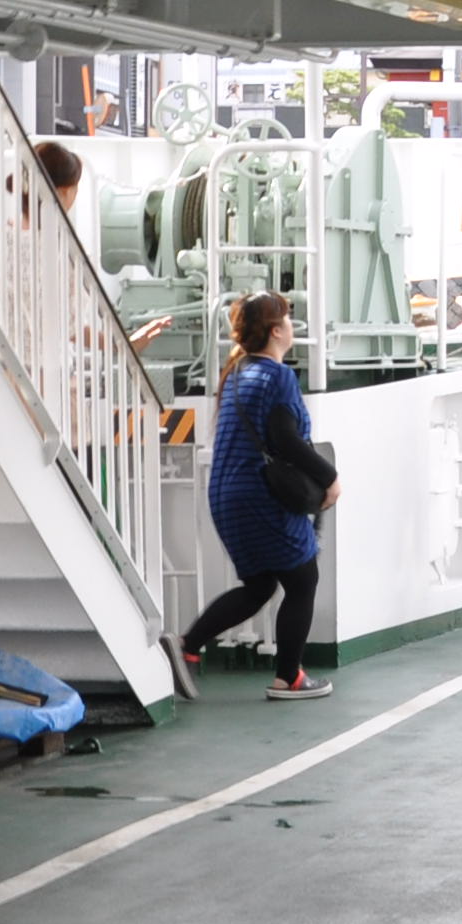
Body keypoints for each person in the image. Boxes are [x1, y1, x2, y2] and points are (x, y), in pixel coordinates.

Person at [179, 291, 333, 699]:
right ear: (276, 331)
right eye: (287, 319)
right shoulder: (278, 377)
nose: (292, 325)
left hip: (224, 494)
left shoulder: (235, 373)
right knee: (303, 579)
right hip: (257, 494)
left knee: (260, 585)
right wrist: (329, 478)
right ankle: (289, 677)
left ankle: (186, 646)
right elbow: (285, 439)